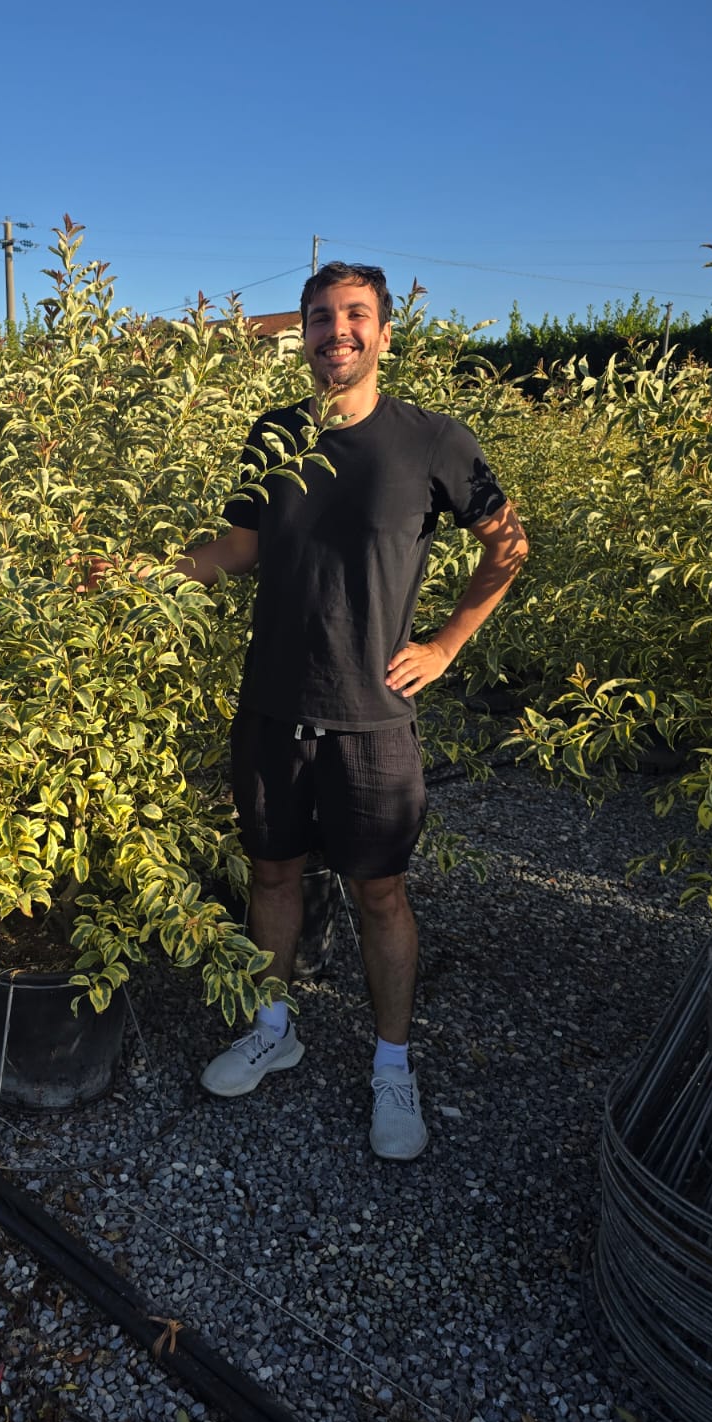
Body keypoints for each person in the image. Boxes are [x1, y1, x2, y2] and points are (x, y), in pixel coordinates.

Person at [177, 262, 528, 1160]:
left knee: (380, 893)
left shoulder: (433, 442)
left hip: (373, 716)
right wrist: (146, 575)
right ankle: (273, 1026)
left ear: (384, 330)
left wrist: (447, 643)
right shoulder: (276, 435)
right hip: (272, 707)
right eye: (323, 316)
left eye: (356, 315)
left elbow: (509, 542)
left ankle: (392, 1063)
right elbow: (239, 548)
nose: (339, 331)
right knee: (271, 877)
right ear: (302, 329)